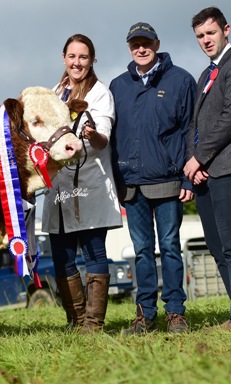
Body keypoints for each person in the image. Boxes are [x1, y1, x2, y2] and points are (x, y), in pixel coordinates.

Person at [109, 22, 196, 334]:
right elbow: (112, 137)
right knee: (142, 250)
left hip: (169, 181)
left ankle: (175, 313)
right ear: (129, 47)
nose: (141, 48)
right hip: (131, 186)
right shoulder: (117, 86)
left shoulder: (181, 80)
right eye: (135, 43)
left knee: (170, 246)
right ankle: (145, 315)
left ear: (157, 43)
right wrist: (117, 183)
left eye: (146, 42)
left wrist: (188, 179)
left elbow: (192, 131)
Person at [184, 7, 231, 331]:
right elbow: (195, 124)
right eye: (200, 36)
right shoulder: (206, 75)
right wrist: (194, 164)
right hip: (206, 172)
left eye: (210, 33)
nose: (205, 40)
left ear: (226, 30)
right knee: (216, 246)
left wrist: (200, 157)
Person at [42, 34, 122, 333]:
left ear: (92, 61)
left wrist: (91, 135)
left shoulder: (101, 93)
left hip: (90, 184)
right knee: (61, 255)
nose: (77, 62)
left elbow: (103, 139)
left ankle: (93, 323)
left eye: (83, 57)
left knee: (93, 253)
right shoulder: (54, 93)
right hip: (58, 186)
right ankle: (75, 321)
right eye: (72, 56)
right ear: (64, 58)